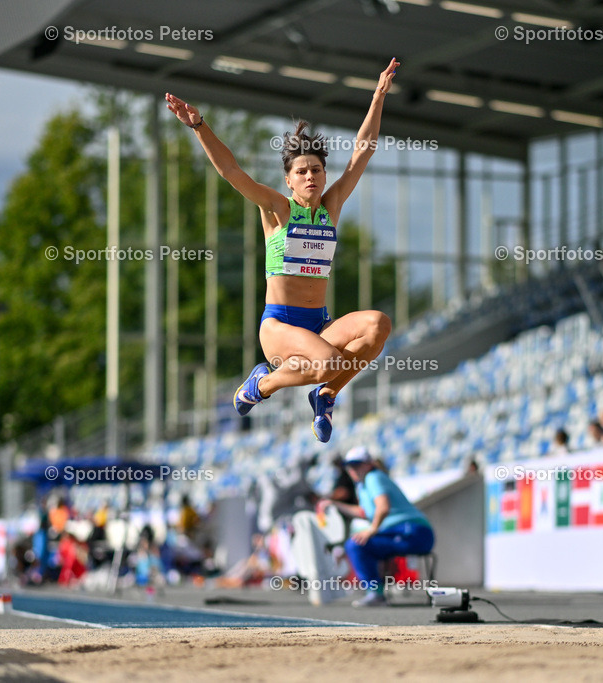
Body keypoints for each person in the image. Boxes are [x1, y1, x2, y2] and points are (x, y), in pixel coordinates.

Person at [165, 58, 400, 443]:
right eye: (302, 171)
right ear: (288, 179)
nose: (311, 176)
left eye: (317, 171)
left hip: (319, 325)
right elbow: (231, 172)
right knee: (328, 362)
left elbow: (363, 153)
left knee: (378, 326)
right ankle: (263, 382)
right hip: (279, 328)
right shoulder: (277, 208)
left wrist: (378, 96)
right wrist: (198, 126)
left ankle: (325, 395)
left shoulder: (331, 206)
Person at [318, 446, 434, 607]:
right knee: (357, 544)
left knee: (356, 545)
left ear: (368, 464)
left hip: (414, 532)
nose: (353, 469)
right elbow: (364, 512)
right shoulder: (363, 485)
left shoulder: (373, 477)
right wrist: (335, 504)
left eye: (357, 465)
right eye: (350, 466)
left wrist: (372, 530)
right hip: (402, 532)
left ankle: (376, 593)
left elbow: (383, 507)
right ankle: (375, 592)